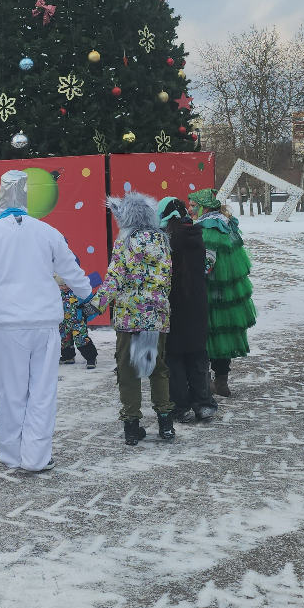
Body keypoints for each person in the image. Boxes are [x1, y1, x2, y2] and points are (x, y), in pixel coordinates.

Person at [0, 172, 93, 472]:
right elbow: (73, 271)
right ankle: (37, 456)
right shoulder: (47, 231)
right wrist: (88, 296)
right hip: (45, 324)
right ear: (26, 199)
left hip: (9, 326)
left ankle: (11, 454)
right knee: (42, 391)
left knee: (10, 391)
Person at [88, 192, 175, 446]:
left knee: (128, 370)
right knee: (158, 368)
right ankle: (166, 424)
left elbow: (114, 278)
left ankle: (131, 427)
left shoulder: (125, 242)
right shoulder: (162, 241)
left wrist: (95, 305)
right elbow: (167, 278)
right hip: (156, 316)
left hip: (129, 317)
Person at [190, 188, 257, 398]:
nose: (190, 209)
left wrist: (193, 277)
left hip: (210, 289)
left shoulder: (208, 226)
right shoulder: (227, 223)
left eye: (193, 205)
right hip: (228, 291)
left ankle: (207, 381)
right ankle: (222, 381)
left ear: (204, 206)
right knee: (224, 331)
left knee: (206, 333)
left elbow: (208, 260)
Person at [158, 197, 217, 423]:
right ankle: (203, 404)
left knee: (174, 358)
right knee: (198, 354)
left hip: (173, 304)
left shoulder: (164, 241)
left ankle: (179, 407)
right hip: (197, 303)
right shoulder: (196, 235)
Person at [55, 275, 98, 369]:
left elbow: (89, 298)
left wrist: (87, 310)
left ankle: (91, 358)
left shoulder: (77, 291)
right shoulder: (56, 292)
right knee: (64, 339)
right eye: (60, 285)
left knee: (81, 339)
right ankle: (68, 356)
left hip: (77, 320)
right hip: (63, 321)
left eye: (66, 284)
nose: (64, 287)